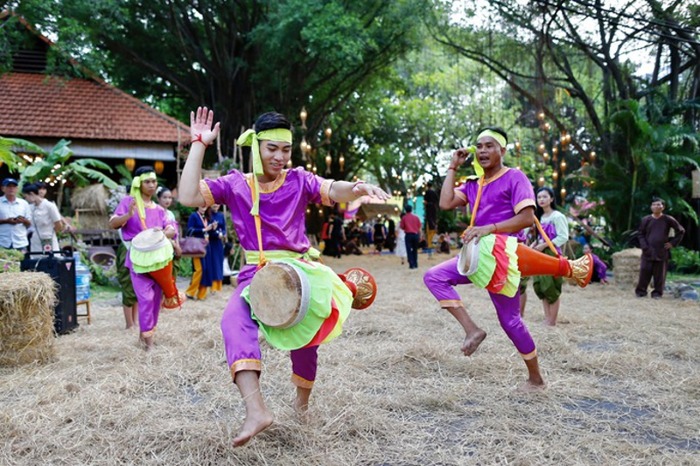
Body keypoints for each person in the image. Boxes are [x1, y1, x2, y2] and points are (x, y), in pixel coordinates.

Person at [178, 106, 389, 447]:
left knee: (307, 341)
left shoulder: (299, 180)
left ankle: (301, 406)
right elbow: (188, 197)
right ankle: (256, 410)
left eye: (286, 149)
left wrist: (359, 187)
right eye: (272, 148)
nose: (280, 157)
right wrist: (199, 144)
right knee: (233, 322)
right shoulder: (235, 184)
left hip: (300, 270)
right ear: (256, 147)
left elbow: (335, 189)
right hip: (254, 273)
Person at [422, 127, 545, 390]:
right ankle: (472, 330)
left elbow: (526, 218)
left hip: (502, 255)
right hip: (476, 253)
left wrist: (490, 228)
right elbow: (445, 203)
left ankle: (536, 379)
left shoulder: (515, 177)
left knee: (510, 321)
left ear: (503, 150)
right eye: (479, 146)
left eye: (489, 146)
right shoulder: (473, 183)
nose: (482, 151)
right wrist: (453, 167)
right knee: (434, 277)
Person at [109, 166, 183, 349]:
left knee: (156, 300)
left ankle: (146, 334)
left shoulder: (159, 209)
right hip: (138, 261)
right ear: (138, 183)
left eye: (154, 181)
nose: (152, 185)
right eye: (148, 182)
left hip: (158, 261)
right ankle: (149, 344)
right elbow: (112, 223)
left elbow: (172, 229)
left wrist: (166, 232)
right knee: (145, 298)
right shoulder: (128, 202)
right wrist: (127, 215)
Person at [530, 186, 569, 326]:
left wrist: (545, 245)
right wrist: (533, 246)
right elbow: (539, 237)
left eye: (545, 197)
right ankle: (547, 319)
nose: (541, 200)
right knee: (540, 286)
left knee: (551, 286)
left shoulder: (557, 216)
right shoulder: (540, 217)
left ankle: (552, 321)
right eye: (539, 197)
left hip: (552, 254)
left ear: (551, 199)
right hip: (539, 253)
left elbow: (563, 236)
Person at [635, 197, 685, 299]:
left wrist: (672, 243)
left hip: (662, 250)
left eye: (659, 204)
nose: (656, 206)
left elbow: (681, 231)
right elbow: (640, 234)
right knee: (645, 271)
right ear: (651, 207)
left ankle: (657, 293)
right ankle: (641, 292)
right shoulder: (646, 219)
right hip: (648, 250)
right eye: (654, 204)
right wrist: (644, 246)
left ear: (663, 207)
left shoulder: (668, 219)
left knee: (660, 274)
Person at [21, 183, 64, 255]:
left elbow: (59, 224)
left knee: (51, 261)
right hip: (35, 241)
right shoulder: (31, 207)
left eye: (26, 197)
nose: (26, 199)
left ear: (31, 194)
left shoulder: (49, 206)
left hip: (48, 239)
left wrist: (50, 233)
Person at [185, 205, 215, 300]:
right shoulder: (193, 216)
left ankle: (202, 294)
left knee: (207, 270)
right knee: (199, 269)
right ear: (197, 205)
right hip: (197, 247)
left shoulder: (207, 217)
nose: (203, 207)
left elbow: (210, 232)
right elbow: (189, 230)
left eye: (205, 205)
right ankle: (190, 292)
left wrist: (213, 228)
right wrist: (203, 230)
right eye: (201, 204)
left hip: (207, 246)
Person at [157, 186, 183, 279]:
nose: (167, 200)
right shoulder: (155, 213)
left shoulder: (171, 214)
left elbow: (176, 233)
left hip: (173, 247)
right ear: (158, 198)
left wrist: (178, 245)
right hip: (161, 247)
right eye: (164, 197)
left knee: (173, 275)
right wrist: (174, 245)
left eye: (170, 198)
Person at [0, 178, 31, 252]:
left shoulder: (24, 203)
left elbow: (29, 224)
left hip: (20, 242)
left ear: (17, 189)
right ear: (2, 188)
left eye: (14, 187)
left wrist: (23, 220)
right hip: (2, 242)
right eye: (8, 186)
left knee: (22, 263)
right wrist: (6, 221)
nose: (11, 189)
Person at [207, 204, 227, 292]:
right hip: (210, 242)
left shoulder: (221, 215)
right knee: (213, 263)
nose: (216, 205)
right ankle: (212, 286)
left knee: (219, 262)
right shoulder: (208, 215)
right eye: (214, 203)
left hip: (219, 243)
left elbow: (224, 228)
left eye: (218, 203)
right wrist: (215, 232)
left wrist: (222, 233)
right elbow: (206, 228)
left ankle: (219, 286)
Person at [399, 205, 421, 269]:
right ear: (411, 209)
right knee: (415, 249)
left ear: (405, 210)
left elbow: (402, 227)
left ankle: (411, 264)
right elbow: (419, 227)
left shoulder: (404, 218)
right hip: (415, 234)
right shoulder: (416, 217)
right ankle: (415, 263)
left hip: (408, 235)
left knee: (408, 250)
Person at [424, 181, 439, 247]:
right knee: (434, 218)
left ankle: (431, 227)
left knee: (429, 218)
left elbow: (425, 201)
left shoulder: (427, 192)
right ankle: (433, 226)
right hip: (434, 207)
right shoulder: (434, 192)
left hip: (429, 207)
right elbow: (437, 199)